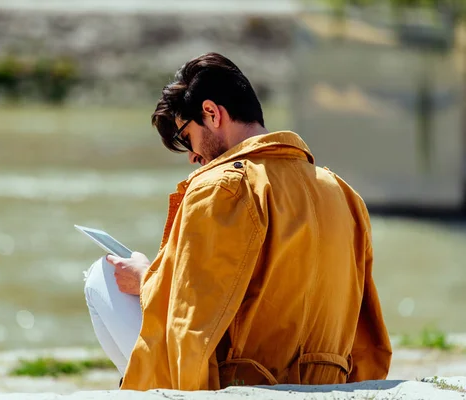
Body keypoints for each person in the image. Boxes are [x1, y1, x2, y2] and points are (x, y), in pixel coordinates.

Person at [83, 52, 392, 391]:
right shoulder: (342, 192)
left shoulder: (222, 187)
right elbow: (368, 332)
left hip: (244, 383)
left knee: (102, 278)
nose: (192, 156)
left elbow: (192, 323)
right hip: (330, 379)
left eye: (187, 137)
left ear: (212, 113)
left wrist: (147, 280)